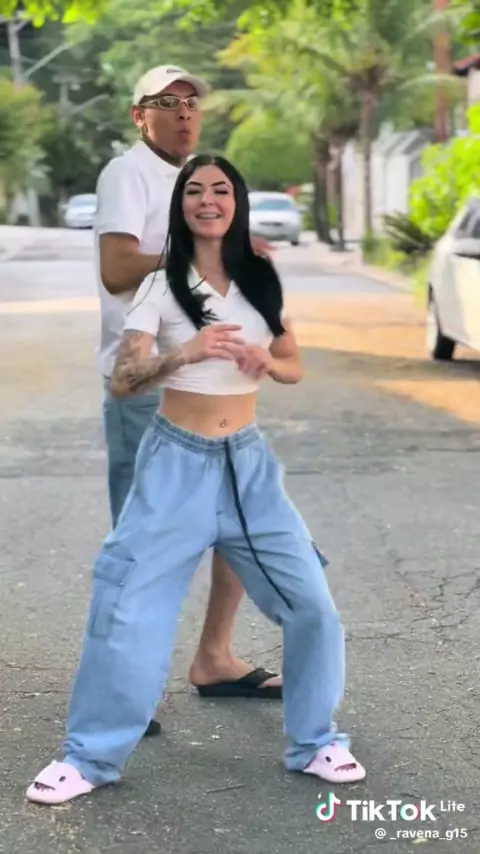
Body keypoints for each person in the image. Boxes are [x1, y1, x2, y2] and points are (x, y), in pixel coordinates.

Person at [26, 154, 365, 805]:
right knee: (128, 607)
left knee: (312, 604)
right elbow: (124, 380)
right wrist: (187, 352)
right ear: (181, 206)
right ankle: (89, 758)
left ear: (237, 202)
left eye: (221, 190)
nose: (208, 200)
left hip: (248, 465)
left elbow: (293, 362)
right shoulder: (161, 285)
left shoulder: (260, 276)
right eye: (195, 191)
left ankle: (315, 741)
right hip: (176, 464)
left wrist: (267, 361)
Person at [95, 65, 282, 740]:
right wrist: (203, 252)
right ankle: (124, 688)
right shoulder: (128, 174)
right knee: (145, 542)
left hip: (213, 387)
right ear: (138, 114)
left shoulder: (191, 180)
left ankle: (214, 658)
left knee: (236, 523)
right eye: (166, 103)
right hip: (151, 384)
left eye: (191, 103)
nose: (182, 113)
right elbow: (117, 268)